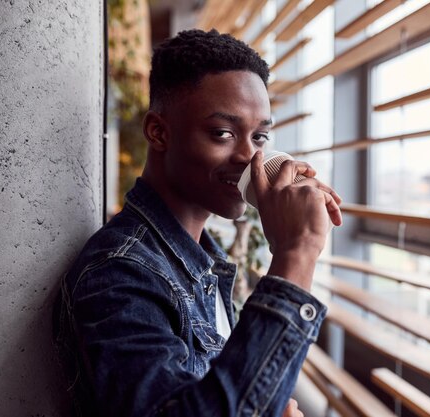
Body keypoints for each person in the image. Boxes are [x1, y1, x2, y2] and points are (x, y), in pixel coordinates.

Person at [53, 29, 342, 417]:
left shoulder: (204, 260)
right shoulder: (119, 273)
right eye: (222, 133)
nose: (250, 157)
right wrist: (297, 250)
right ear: (158, 132)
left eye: (260, 137)